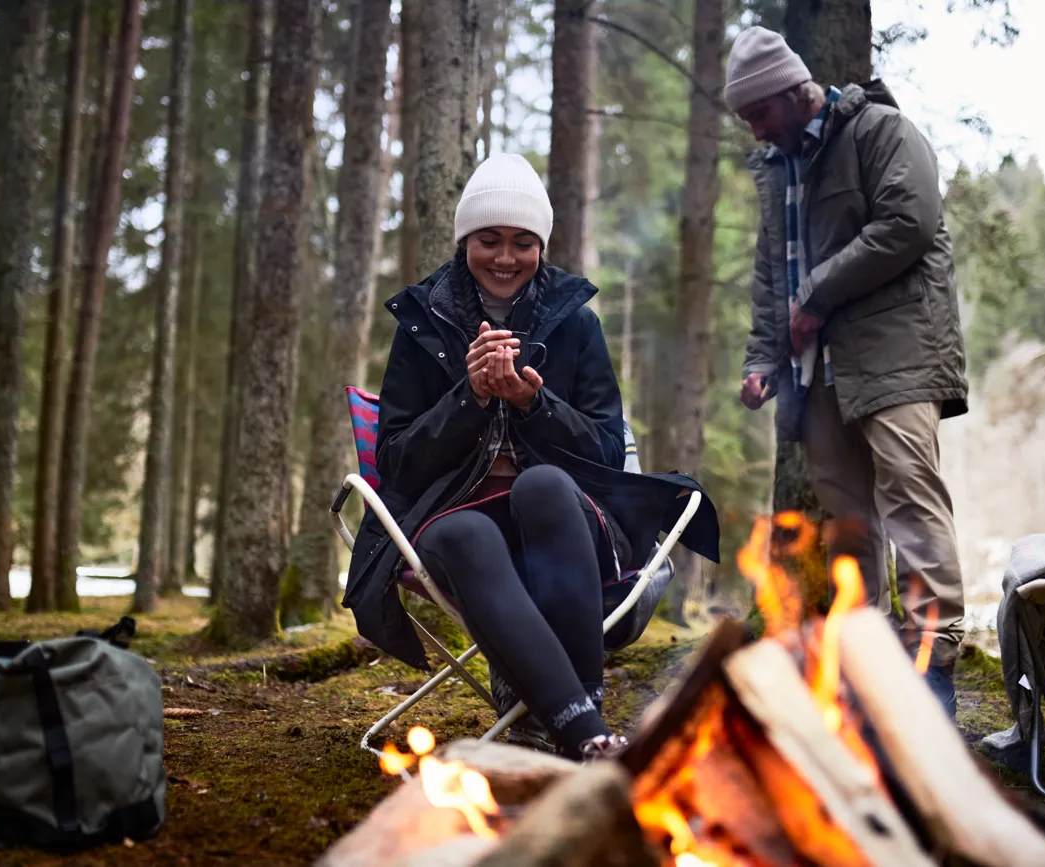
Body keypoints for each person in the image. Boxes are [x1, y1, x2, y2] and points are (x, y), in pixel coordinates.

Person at [343, 153, 719, 760]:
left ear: (541, 247)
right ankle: (589, 736)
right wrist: (468, 398)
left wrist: (532, 403)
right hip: (451, 511)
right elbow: (397, 461)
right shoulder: (421, 325)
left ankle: (576, 710)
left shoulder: (576, 324)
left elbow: (605, 446)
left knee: (540, 485)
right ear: (466, 239)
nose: (504, 258)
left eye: (523, 243)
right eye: (488, 240)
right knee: (468, 535)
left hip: (565, 519)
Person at [724, 26, 969, 715]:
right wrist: (761, 360)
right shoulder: (776, 172)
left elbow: (910, 222)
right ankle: (873, 666)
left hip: (897, 355)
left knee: (911, 500)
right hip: (817, 374)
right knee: (850, 524)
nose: (752, 128)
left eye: (758, 112)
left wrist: (819, 293)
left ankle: (934, 662)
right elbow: (775, 277)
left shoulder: (880, 131)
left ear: (792, 90)